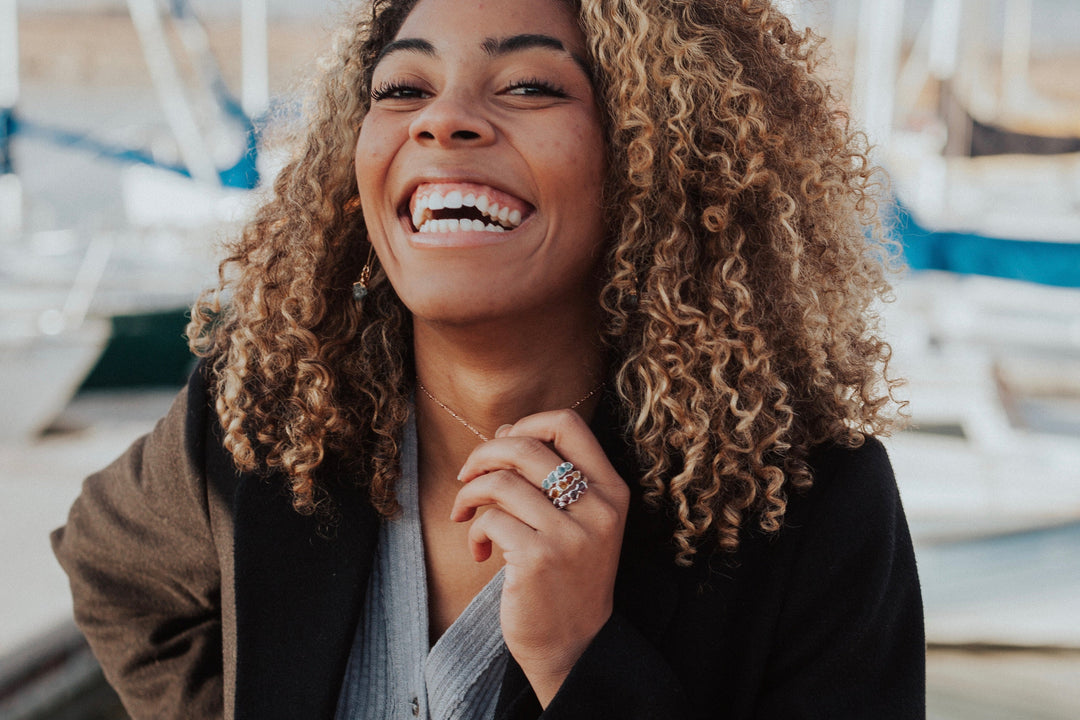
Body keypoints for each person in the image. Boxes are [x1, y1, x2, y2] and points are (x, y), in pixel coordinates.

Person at [52, 0, 925, 718]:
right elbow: (111, 571)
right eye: (402, 87)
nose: (443, 119)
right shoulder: (269, 410)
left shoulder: (813, 510)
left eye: (530, 85)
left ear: (656, 157)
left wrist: (581, 659)